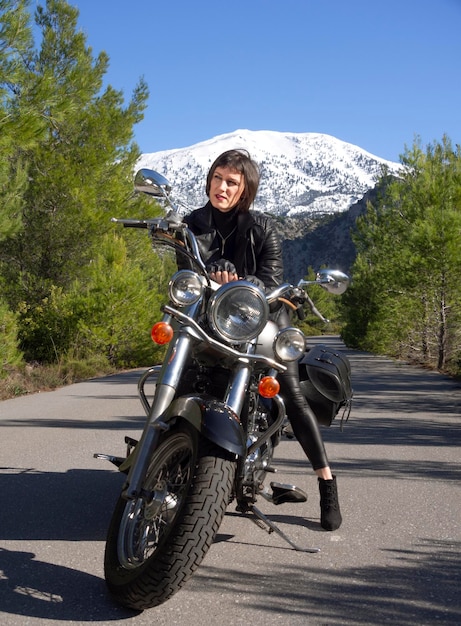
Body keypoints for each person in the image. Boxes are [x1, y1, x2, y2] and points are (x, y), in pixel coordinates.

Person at [180, 148, 342, 531]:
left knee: (290, 392)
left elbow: (273, 278)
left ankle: (327, 482)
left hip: (259, 318)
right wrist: (209, 269)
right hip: (210, 317)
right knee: (181, 369)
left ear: (245, 189)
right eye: (216, 178)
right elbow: (186, 264)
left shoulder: (263, 228)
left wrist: (252, 282)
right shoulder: (193, 223)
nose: (221, 187)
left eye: (231, 182)